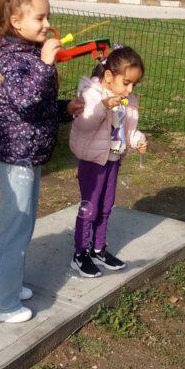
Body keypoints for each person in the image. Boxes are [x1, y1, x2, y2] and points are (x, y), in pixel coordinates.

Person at [0, 0, 83, 323]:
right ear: (15, 21)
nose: (47, 24)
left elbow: (36, 107)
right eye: (40, 18)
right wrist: (46, 63)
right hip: (15, 154)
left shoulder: (24, 52)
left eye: (48, 16)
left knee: (22, 222)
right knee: (14, 226)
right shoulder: (12, 57)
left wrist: (66, 109)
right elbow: (25, 100)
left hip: (27, 150)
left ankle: (5, 283)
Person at [69, 45, 146, 277]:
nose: (130, 89)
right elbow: (84, 125)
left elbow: (130, 130)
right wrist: (103, 107)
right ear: (110, 76)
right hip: (93, 162)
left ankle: (98, 249)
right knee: (90, 207)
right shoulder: (92, 95)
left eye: (134, 85)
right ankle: (80, 253)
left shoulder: (128, 99)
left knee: (106, 205)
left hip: (113, 159)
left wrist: (138, 140)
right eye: (127, 83)